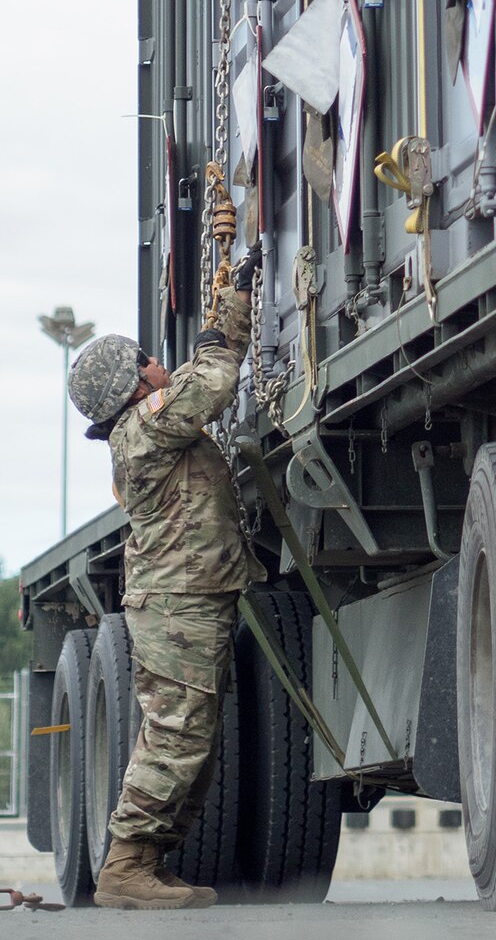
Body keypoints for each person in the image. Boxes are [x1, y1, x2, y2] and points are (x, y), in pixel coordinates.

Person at [67, 254, 265, 910]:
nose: (159, 363)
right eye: (148, 360)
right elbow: (207, 381)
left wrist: (231, 303)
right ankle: (127, 865)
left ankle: (146, 860)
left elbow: (198, 376)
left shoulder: (146, 423)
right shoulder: (149, 424)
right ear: (131, 382)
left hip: (184, 598)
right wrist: (218, 336)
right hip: (180, 602)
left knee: (191, 735)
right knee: (178, 730)